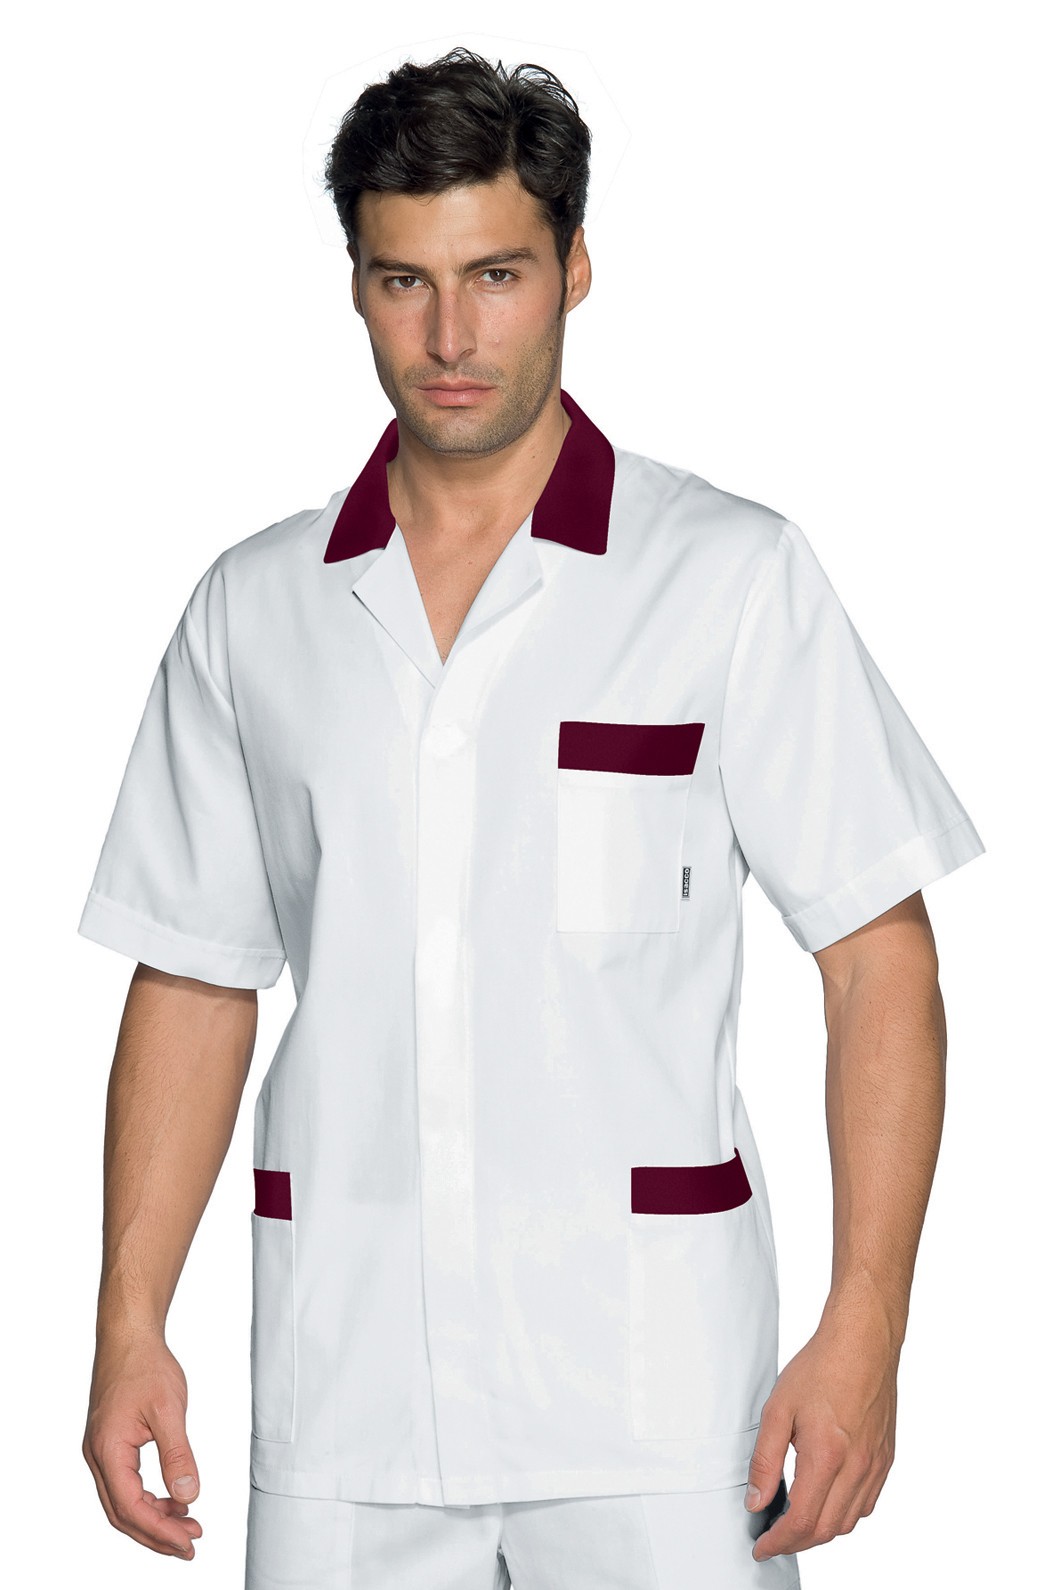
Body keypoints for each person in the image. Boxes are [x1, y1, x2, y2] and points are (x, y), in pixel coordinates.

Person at [77, 46, 986, 1590]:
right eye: (404, 281)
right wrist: (128, 1322)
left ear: (574, 267)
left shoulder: (727, 577)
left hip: (656, 1401)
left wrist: (868, 1323)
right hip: (348, 1390)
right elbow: (195, 977)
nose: (449, 336)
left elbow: (877, 958)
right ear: (356, 286)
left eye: (495, 276)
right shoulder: (254, 610)